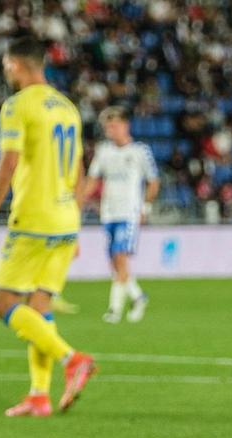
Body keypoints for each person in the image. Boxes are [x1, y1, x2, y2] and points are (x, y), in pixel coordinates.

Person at [0, 37, 96, 417]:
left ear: (16, 65)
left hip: (33, 219)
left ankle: (71, 358)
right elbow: (79, 171)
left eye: (7, 65)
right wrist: (74, 222)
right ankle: (39, 395)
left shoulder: (17, 106)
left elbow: (7, 163)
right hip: (64, 219)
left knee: (4, 303)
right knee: (39, 308)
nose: (5, 71)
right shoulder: (67, 107)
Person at [82, 106, 160, 324]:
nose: (110, 130)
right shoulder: (103, 151)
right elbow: (93, 180)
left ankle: (114, 310)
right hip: (108, 213)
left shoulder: (139, 151)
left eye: (114, 125)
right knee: (114, 263)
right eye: (107, 126)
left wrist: (145, 207)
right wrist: (79, 201)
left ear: (126, 126)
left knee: (120, 258)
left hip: (129, 212)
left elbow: (153, 181)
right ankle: (138, 296)